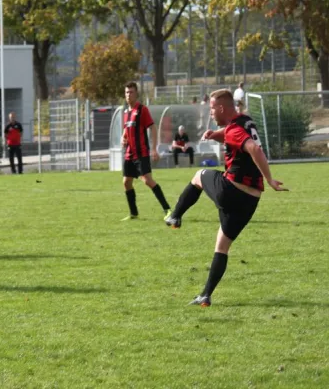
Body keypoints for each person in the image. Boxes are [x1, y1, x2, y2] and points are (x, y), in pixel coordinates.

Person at [164, 89, 288, 307]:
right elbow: (236, 136)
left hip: (231, 190)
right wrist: (215, 134)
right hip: (250, 201)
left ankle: (174, 216)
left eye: (212, 107)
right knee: (221, 245)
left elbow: (253, 149)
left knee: (198, 176)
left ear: (221, 107)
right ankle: (205, 295)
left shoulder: (234, 130)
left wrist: (269, 178)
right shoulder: (246, 121)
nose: (210, 112)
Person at [121, 82, 171, 220]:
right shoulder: (126, 112)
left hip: (141, 152)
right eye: (126, 92)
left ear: (136, 94)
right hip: (129, 153)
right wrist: (122, 137)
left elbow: (152, 128)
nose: (128, 95)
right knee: (126, 182)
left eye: (131, 92)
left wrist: (154, 148)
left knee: (147, 180)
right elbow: (127, 128)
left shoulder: (142, 110)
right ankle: (133, 213)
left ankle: (167, 209)